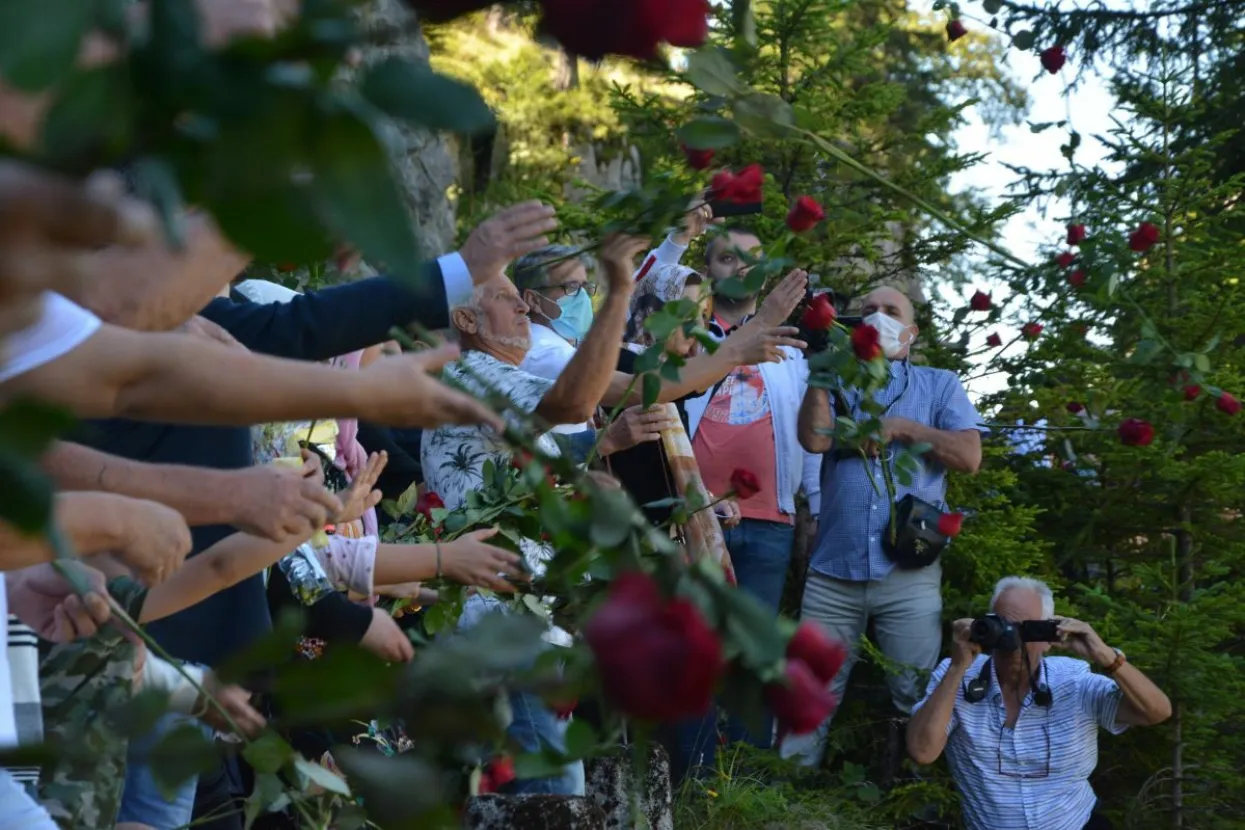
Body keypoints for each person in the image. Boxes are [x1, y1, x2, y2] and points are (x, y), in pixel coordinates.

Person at [70, 203, 554, 830]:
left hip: (179, 662)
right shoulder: (73, 341)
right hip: (103, 649)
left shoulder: (195, 328)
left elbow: (299, 330)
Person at [421, 233, 650, 795]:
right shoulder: (475, 374)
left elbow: (548, 460)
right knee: (552, 794)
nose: (525, 306)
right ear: (465, 318)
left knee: (497, 796)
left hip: (515, 618)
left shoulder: (494, 379)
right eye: (507, 297)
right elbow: (576, 402)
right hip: (499, 621)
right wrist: (621, 288)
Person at [784, 284, 986, 766]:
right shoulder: (837, 380)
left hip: (910, 572)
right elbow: (813, 439)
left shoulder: (940, 384)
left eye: (891, 311)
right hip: (833, 570)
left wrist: (903, 428)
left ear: (911, 332)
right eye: (869, 311)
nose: (878, 318)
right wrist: (821, 370)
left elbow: (969, 456)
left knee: (914, 691)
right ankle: (786, 795)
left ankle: (915, 802)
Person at [906, 577, 1171, 830]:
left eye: (1027, 629)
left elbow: (1156, 712)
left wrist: (1104, 654)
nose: (1012, 640)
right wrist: (957, 666)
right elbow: (922, 751)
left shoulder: (1074, 681)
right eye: (1002, 626)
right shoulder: (957, 677)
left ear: (1048, 638)